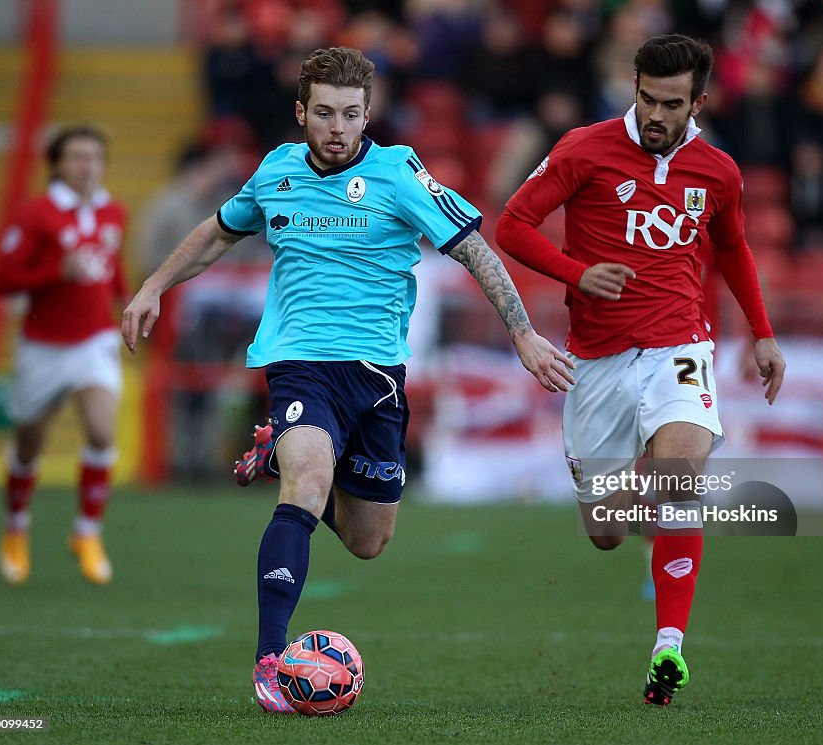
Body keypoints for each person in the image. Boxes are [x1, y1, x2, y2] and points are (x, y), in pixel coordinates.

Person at [122, 47, 574, 714]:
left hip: (377, 378)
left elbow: (474, 246)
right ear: (302, 112)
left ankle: (281, 455)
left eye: (352, 114)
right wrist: (154, 285)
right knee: (307, 480)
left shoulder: (397, 173)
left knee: (369, 541)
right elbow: (219, 232)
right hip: (299, 360)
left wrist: (523, 333)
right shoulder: (276, 171)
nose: (338, 127)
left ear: (370, 114)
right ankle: (270, 662)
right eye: (326, 113)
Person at [495, 34, 786, 706]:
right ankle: (614, 492)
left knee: (681, 476)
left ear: (698, 102)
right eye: (647, 98)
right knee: (605, 530)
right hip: (596, 360)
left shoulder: (718, 172)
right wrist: (576, 273)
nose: (656, 114)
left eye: (672, 103)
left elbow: (735, 250)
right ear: (634, 87)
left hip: (680, 344)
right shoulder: (583, 149)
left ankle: (669, 646)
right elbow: (512, 226)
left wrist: (763, 334)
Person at [0, 125, 129, 586]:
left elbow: (113, 276)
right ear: (57, 163)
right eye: (76, 157)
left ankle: (87, 532)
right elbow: (2, 280)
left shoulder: (113, 212)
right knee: (29, 442)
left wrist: (129, 306)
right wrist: (57, 271)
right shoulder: (36, 214)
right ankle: (16, 527)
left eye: (94, 156)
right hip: (42, 345)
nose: (86, 165)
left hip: (94, 340)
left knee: (101, 429)